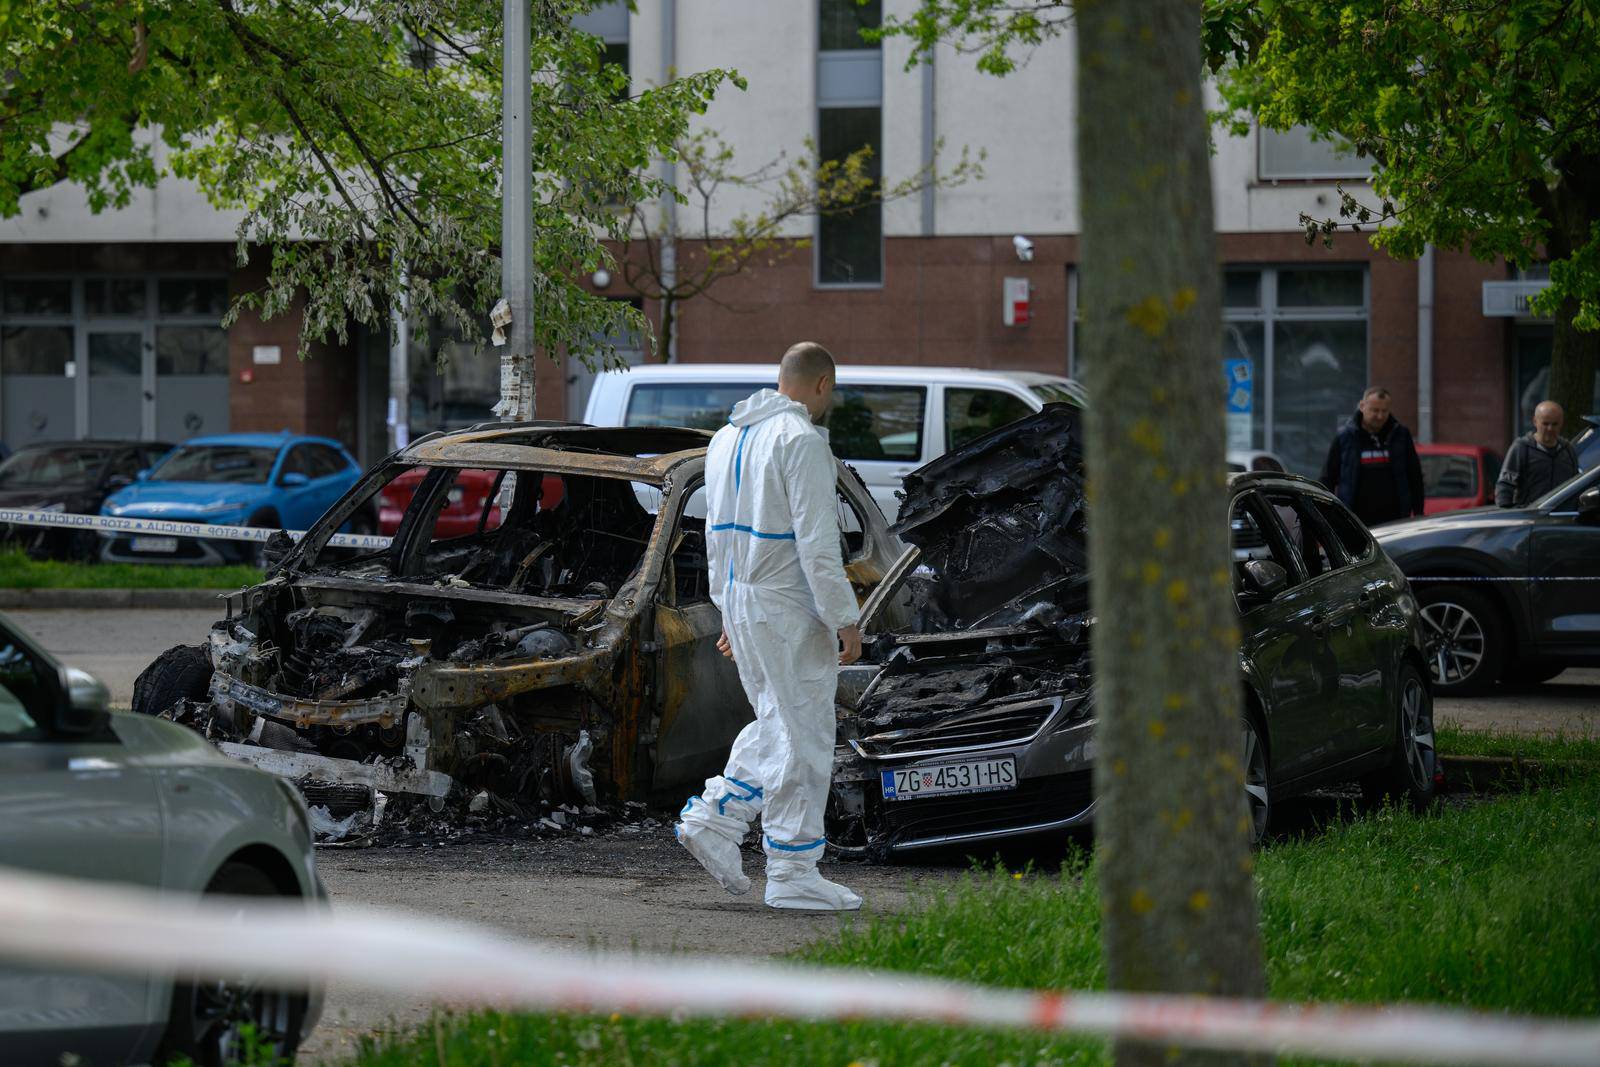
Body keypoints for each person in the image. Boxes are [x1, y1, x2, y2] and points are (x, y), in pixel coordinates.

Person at [675, 341, 865, 912]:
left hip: (743, 595)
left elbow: (713, 537)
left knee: (780, 722)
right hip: (787, 604)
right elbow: (818, 544)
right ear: (823, 385)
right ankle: (791, 869)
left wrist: (727, 611)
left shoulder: (726, 438)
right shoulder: (801, 440)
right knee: (804, 733)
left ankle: (718, 816)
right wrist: (845, 618)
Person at [1319, 386, 1425, 527]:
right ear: (1362, 406)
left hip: (1395, 521)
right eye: (1375, 410)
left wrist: (1418, 512)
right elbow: (1328, 478)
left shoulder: (1401, 436)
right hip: (1355, 521)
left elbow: (1415, 476)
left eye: (1384, 411)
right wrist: (1325, 513)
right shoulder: (1345, 437)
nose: (1380, 416)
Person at [1496, 400, 1579, 507]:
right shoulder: (1522, 448)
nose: (1550, 428)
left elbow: (1576, 486)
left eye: (1555, 424)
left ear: (1561, 423)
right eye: (1545, 423)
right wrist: (1508, 513)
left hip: (1562, 517)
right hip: (1531, 517)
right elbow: (1505, 486)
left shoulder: (1568, 450)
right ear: (1535, 421)